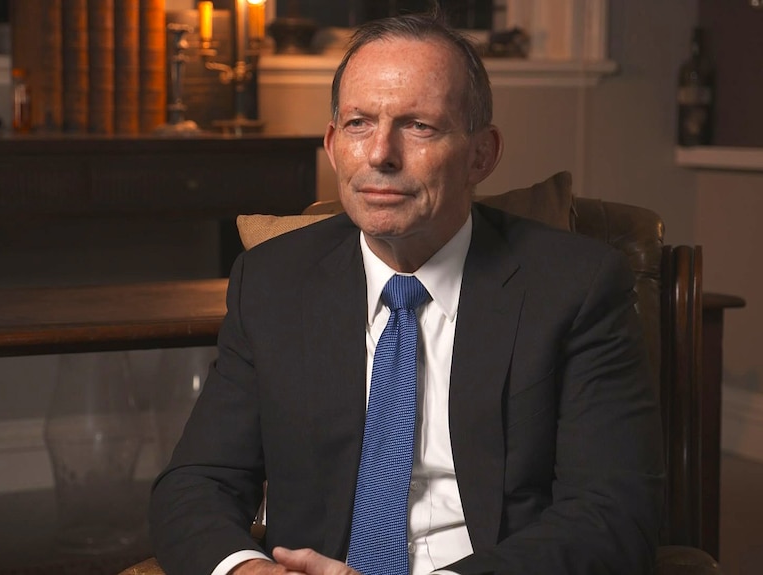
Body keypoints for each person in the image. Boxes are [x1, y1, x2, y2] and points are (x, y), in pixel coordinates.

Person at [150, 10, 664, 575]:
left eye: (418, 125)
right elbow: (197, 483)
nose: (380, 154)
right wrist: (249, 570)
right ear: (331, 143)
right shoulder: (272, 282)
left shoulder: (576, 286)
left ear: (481, 155)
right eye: (358, 124)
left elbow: (612, 515)